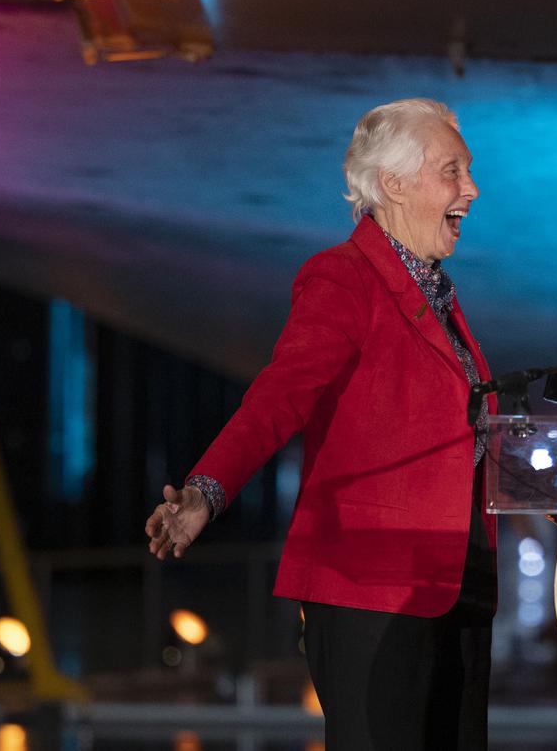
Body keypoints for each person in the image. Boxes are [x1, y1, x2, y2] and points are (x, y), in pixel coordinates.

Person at [143, 98, 496, 750]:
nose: (471, 190)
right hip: (374, 586)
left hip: (457, 584)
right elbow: (281, 395)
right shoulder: (343, 278)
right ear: (393, 183)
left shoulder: (437, 293)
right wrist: (207, 491)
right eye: (453, 171)